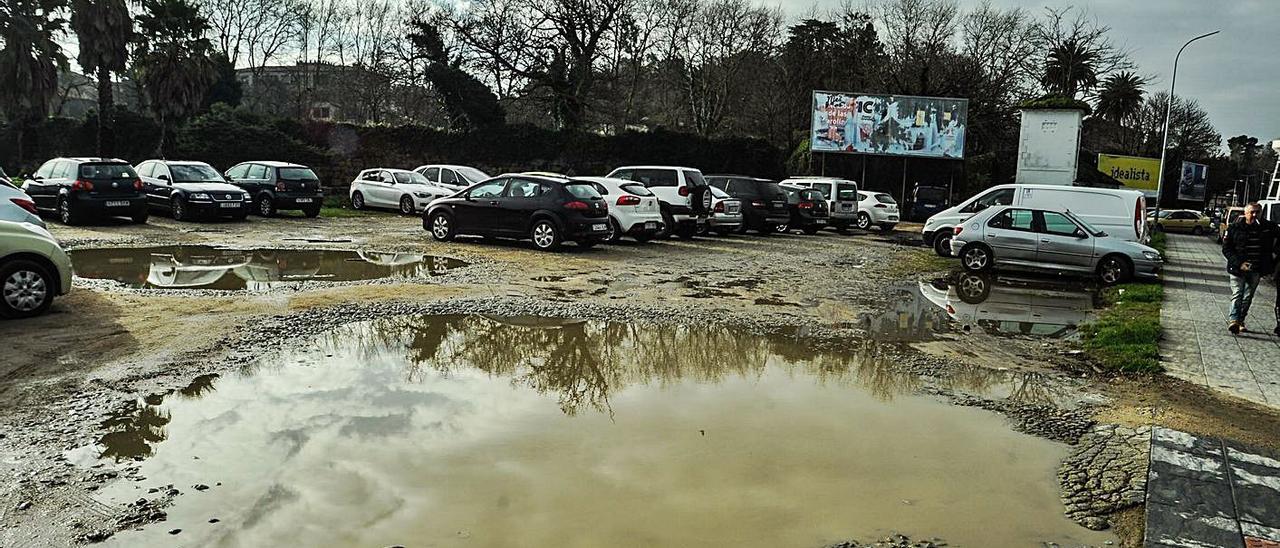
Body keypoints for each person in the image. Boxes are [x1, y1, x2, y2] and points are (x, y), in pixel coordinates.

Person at [1221, 202, 1277, 334]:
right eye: (1252, 212)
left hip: (1256, 269)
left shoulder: (1267, 228)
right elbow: (1226, 249)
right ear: (1245, 213)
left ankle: (1240, 320)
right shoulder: (1235, 228)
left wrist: (1272, 259)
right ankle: (1233, 320)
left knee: (1248, 296)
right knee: (1237, 293)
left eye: (1257, 212)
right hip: (1238, 268)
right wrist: (1239, 263)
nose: (1254, 215)